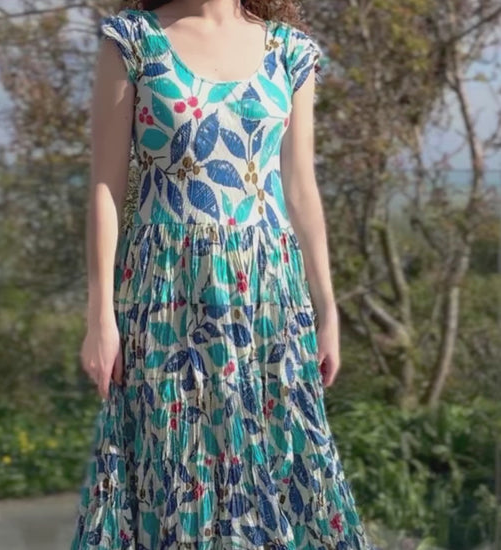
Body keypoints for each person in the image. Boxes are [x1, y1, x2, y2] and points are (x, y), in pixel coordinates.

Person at [70, 0, 377, 548]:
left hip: (268, 290)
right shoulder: (133, 41)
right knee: (175, 465)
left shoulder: (289, 51)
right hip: (166, 289)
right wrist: (100, 317)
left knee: (280, 458)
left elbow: (300, 188)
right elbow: (106, 187)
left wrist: (327, 309)